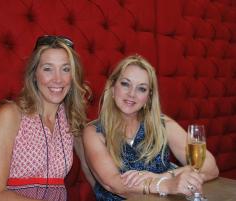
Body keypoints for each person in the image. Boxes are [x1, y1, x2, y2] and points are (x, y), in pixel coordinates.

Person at [83, 54, 219, 200]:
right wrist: (166, 185)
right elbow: (113, 184)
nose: (132, 94)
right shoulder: (94, 132)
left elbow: (210, 167)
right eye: (125, 84)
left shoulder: (162, 125)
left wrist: (165, 176)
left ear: (148, 97)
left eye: (141, 89)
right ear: (112, 87)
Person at [0, 35, 93, 201]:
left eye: (65, 69)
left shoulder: (71, 118)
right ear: (34, 74)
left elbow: (90, 168)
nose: (58, 79)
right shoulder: (10, 115)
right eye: (48, 69)